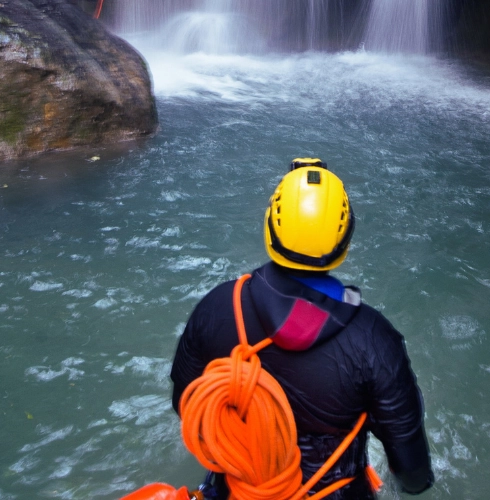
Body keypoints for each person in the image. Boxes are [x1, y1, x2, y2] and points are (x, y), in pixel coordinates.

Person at [169, 159, 434, 499]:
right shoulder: (374, 340)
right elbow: (413, 475)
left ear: (269, 226)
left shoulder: (218, 307)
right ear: (346, 240)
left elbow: (186, 404)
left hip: (237, 486)